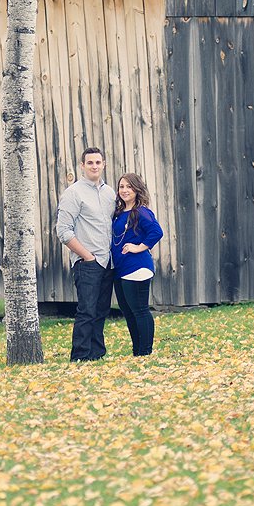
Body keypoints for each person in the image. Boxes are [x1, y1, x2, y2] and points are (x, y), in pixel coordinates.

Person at [55, 146, 117, 361]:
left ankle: (97, 354)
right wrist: (87, 256)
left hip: (108, 262)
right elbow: (63, 231)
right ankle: (80, 356)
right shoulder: (73, 193)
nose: (94, 166)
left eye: (98, 162)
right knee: (87, 311)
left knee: (101, 311)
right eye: (90, 162)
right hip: (87, 262)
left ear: (104, 164)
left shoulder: (110, 193)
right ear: (82, 166)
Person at [111, 173, 163, 357]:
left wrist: (138, 247)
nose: (125, 190)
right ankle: (137, 351)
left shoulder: (141, 212)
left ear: (137, 190)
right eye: (122, 186)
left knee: (140, 310)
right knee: (128, 311)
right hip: (121, 268)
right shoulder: (119, 213)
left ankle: (145, 352)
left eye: (129, 187)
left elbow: (156, 232)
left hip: (137, 268)